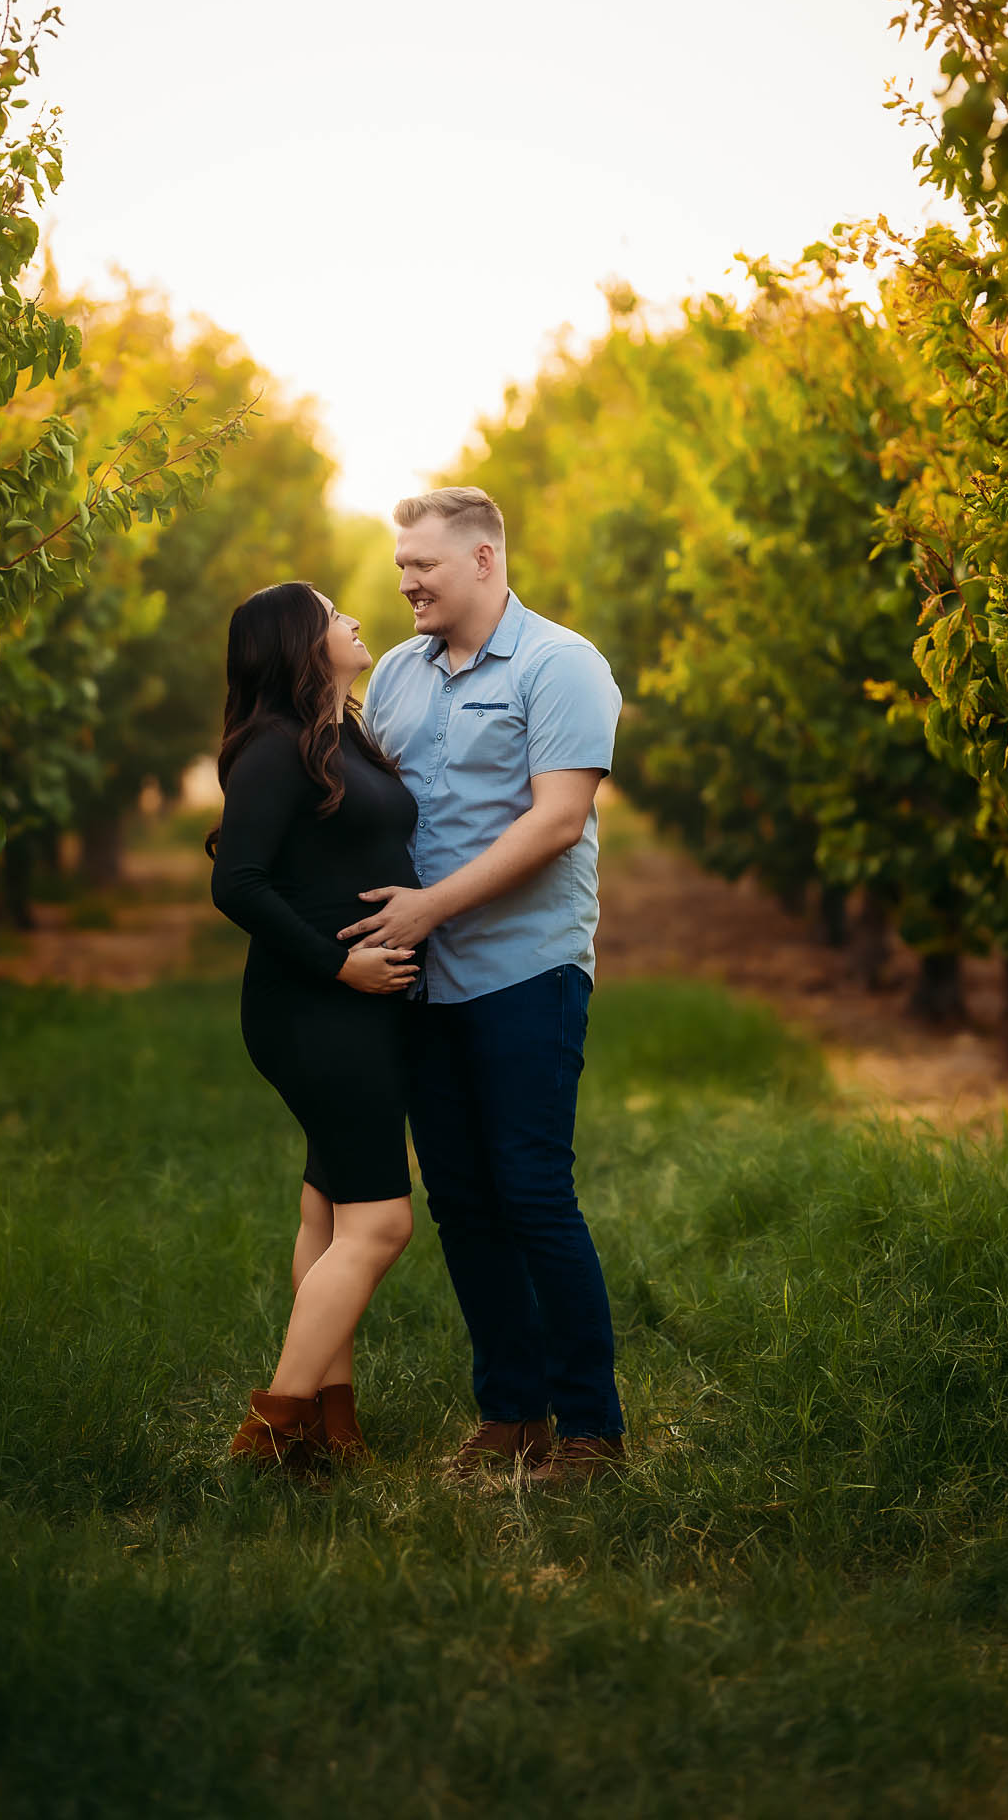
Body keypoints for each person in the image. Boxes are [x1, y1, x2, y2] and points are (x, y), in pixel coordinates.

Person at [344, 487, 625, 1483]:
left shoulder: (560, 664)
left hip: (524, 968)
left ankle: (591, 1428)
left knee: (532, 1192)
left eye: (421, 564)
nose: (406, 583)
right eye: (400, 567)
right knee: (461, 1201)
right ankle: (511, 1414)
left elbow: (555, 821)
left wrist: (427, 908)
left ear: (481, 558)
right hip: (422, 983)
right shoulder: (394, 673)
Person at [208, 581, 421, 1470]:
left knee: (329, 1210)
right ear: (299, 641)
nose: (354, 620)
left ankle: (332, 1428)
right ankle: (273, 1427)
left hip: (355, 1007)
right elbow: (236, 884)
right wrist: (340, 965)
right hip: (315, 1007)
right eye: (334, 615)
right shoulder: (274, 748)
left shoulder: (338, 738)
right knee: (382, 1224)